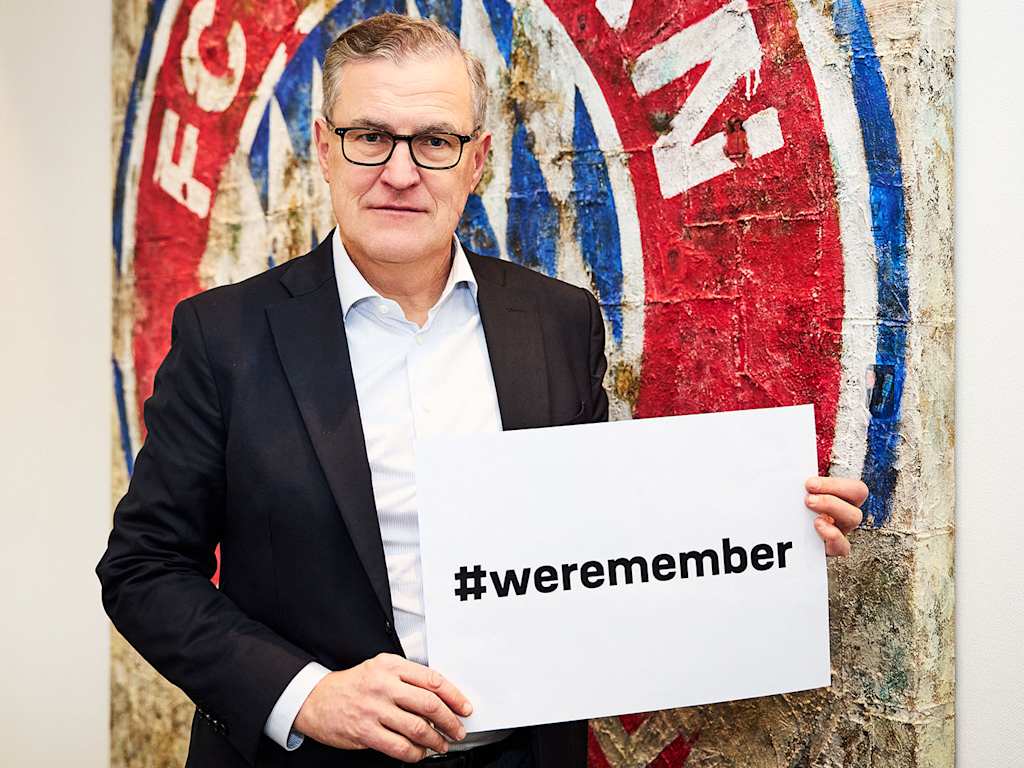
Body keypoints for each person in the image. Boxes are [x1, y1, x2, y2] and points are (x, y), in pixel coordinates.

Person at [97, 13, 869, 768]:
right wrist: (307, 696)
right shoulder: (223, 335)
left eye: (434, 141)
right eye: (369, 137)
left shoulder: (558, 321)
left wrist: (770, 525)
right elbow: (144, 570)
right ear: (325, 150)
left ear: (478, 161)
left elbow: (601, 540)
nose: (400, 173)